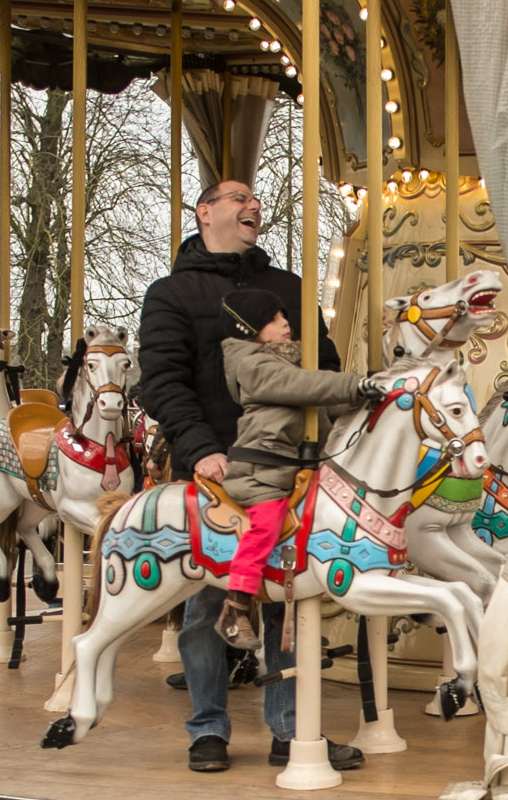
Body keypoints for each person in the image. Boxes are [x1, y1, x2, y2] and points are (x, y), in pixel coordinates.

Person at [133, 179, 357, 774]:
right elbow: (161, 379)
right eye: (236, 196)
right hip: (214, 466)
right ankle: (208, 726)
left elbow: (323, 367)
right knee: (208, 599)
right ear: (205, 212)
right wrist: (201, 446)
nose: (251, 203)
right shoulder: (172, 294)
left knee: (287, 595)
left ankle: (290, 727)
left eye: (255, 198)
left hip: (288, 463)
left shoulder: (286, 288)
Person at [214, 288, 377, 649]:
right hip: (262, 470)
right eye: (273, 319)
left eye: (283, 316)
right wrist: (355, 385)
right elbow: (303, 387)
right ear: (249, 328)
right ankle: (236, 605)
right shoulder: (253, 365)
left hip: (295, 468)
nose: (285, 323)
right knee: (267, 522)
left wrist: (367, 403)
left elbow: (320, 409)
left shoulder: (285, 362)